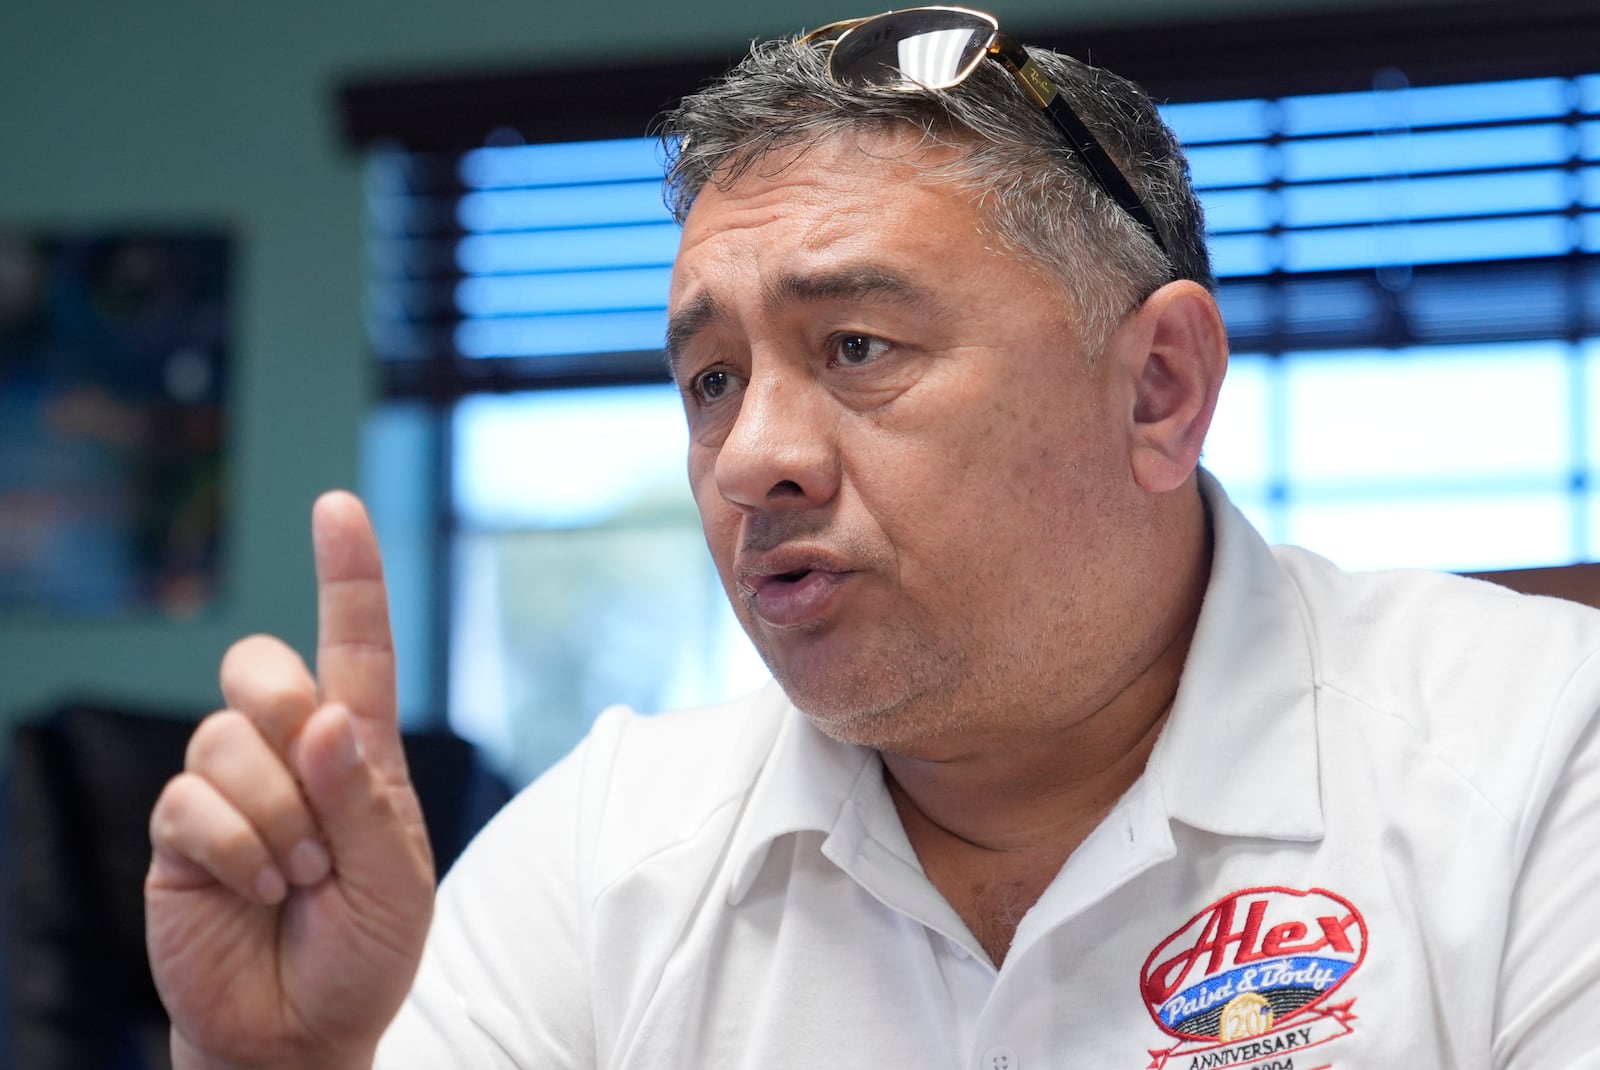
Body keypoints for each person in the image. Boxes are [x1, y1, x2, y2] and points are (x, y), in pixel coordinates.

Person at [146, 9, 1600, 1068]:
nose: (755, 456)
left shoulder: (1541, 755)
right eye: (712, 378)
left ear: (1158, 390)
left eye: (855, 344)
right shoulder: (606, 854)